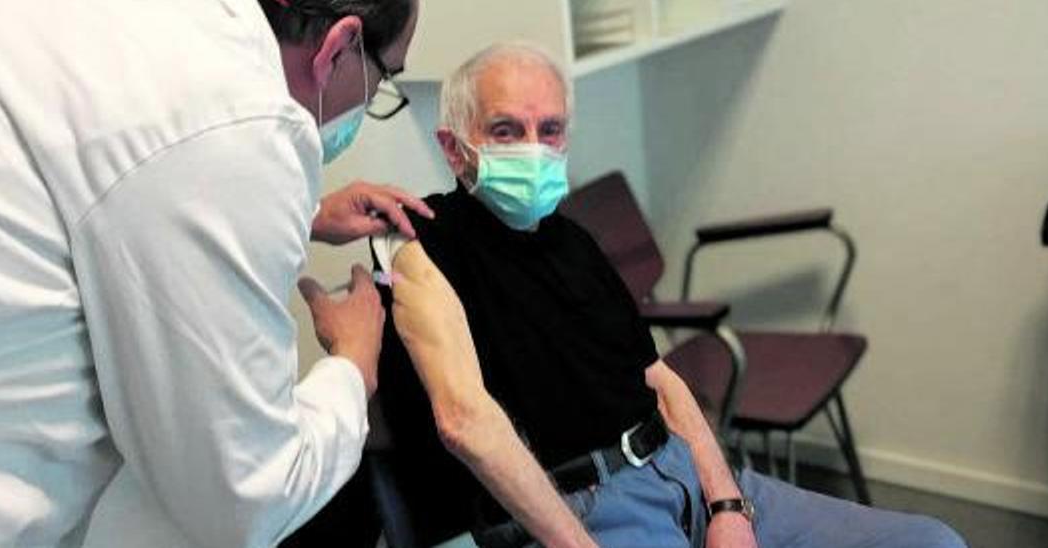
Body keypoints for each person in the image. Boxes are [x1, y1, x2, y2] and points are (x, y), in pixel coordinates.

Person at [314, 43, 968, 548]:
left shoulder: (575, 241)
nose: (536, 152)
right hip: (584, 508)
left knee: (935, 540)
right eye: (507, 131)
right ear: (455, 150)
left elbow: (659, 379)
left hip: (685, 471)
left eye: (551, 131)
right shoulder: (423, 242)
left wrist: (727, 508)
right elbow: (465, 422)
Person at [0, 0, 432, 546]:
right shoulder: (233, 117)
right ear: (340, 44)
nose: (377, 95)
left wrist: (303, 216)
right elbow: (244, 496)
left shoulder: (159, 43)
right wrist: (352, 368)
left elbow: (86, 171)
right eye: (384, 78)